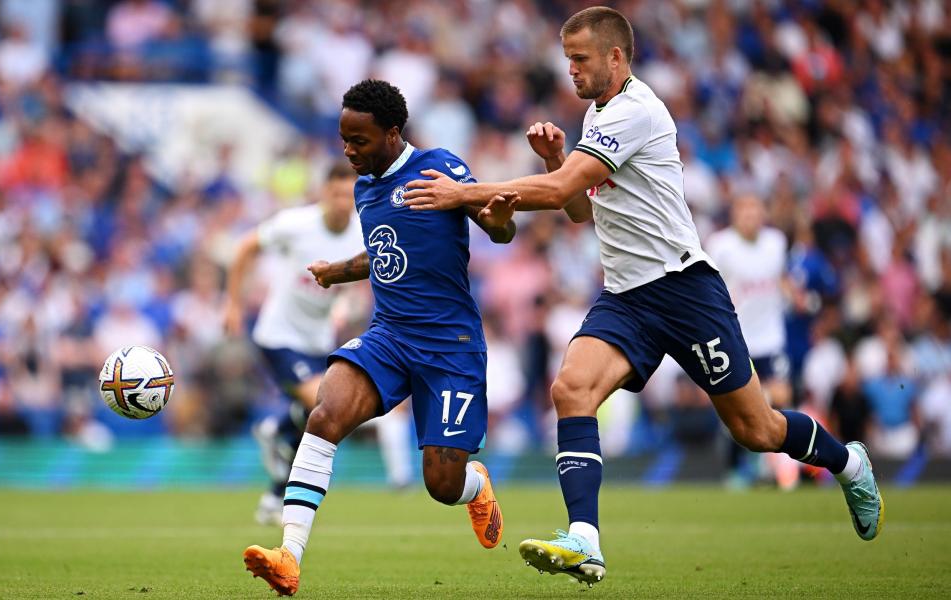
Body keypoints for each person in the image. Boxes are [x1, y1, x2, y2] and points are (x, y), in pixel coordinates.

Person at [403, 6, 883, 586]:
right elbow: (581, 208)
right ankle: (585, 540)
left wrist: (463, 194)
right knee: (570, 387)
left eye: (580, 59)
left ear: (615, 56)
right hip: (627, 295)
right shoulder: (598, 113)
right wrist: (557, 159)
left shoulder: (635, 110)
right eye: (566, 60)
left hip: (684, 290)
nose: (571, 70)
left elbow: (559, 194)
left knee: (757, 431)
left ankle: (849, 463)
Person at [242, 79, 517, 596]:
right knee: (325, 415)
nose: (349, 151)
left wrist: (499, 221)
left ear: (393, 133)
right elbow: (386, 254)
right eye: (344, 139)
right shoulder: (366, 187)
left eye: (359, 141)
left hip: (449, 346)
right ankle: (289, 555)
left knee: (442, 483)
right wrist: (336, 271)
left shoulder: (439, 167)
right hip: (389, 335)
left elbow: (496, 227)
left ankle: (476, 487)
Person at [223, 163, 412, 526]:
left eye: (349, 195)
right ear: (324, 193)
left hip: (318, 338)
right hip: (278, 335)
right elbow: (247, 245)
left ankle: (275, 490)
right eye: (337, 194)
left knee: (319, 414)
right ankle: (279, 428)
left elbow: (361, 280)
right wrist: (232, 302)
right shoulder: (296, 224)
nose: (343, 202)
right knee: (324, 403)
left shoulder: (363, 232)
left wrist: (343, 306)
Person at [706, 193, 798, 490]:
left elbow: (781, 277)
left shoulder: (776, 243)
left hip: (771, 339)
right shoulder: (720, 246)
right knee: (738, 411)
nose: (751, 217)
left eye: (756, 210)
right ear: (735, 215)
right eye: (745, 211)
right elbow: (710, 286)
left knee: (781, 398)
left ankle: (779, 469)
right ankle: (736, 471)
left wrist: (794, 294)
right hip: (737, 340)